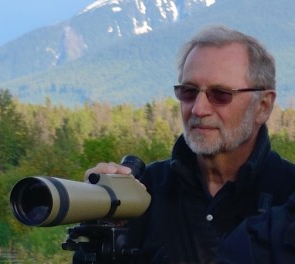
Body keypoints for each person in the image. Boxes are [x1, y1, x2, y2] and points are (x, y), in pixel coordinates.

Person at [80, 26, 295, 263]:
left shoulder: (288, 196)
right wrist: (98, 227)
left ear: (263, 106)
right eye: (189, 92)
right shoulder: (143, 193)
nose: (198, 109)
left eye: (220, 94)